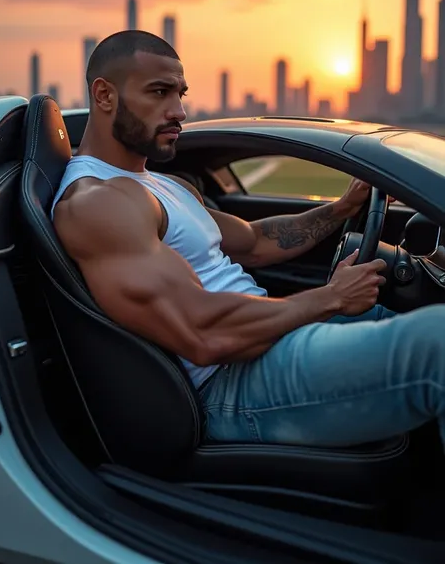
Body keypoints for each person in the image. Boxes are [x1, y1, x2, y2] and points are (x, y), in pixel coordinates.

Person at [52, 29, 445, 450]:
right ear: (104, 95)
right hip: (232, 386)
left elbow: (256, 241)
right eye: (160, 92)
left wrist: (342, 208)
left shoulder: (163, 187)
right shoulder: (96, 203)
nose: (179, 111)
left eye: (180, 93)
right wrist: (329, 299)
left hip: (266, 343)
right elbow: (202, 334)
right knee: (438, 343)